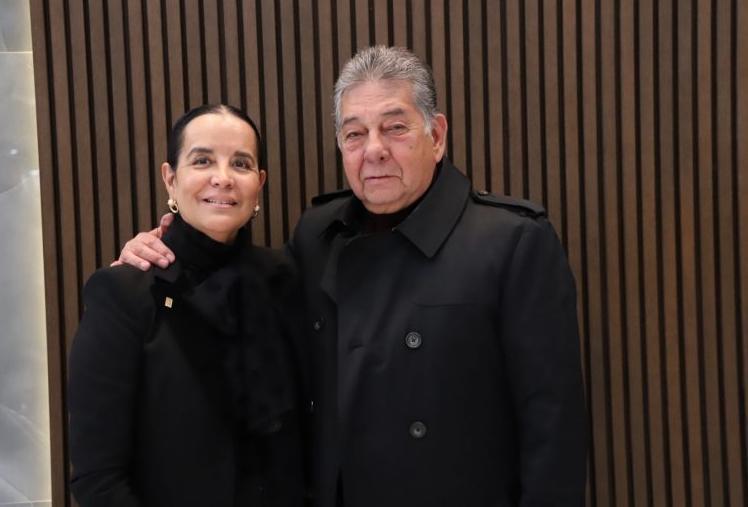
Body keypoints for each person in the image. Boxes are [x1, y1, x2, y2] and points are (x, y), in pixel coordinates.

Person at [119, 46, 588, 506]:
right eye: (355, 134)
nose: (374, 150)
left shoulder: (512, 242)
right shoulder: (319, 234)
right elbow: (238, 290)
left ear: (437, 136)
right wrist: (165, 251)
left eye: (395, 128)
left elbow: (553, 425)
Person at [68, 104, 307, 506]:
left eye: (241, 164)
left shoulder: (285, 279)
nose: (223, 178)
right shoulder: (125, 293)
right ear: (171, 179)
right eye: (202, 160)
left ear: (259, 183)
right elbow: (99, 480)